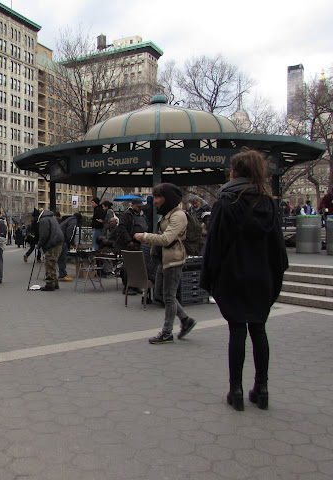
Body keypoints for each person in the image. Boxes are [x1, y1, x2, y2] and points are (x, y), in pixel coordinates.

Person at [200, 150, 288, 411]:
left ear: (235, 172)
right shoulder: (270, 204)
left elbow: (215, 244)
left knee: (237, 331)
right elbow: (278, 249)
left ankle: (235, 390)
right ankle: (262, 388)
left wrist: (210, 277)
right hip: (261, 277)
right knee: (259, 329)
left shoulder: (225, 202)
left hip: (233, 275)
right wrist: (275, 276)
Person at [134, 183, 196, 345]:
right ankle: (186, 319)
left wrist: (145, 236)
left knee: (169, 296)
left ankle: (167, 332)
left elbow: (167, 238)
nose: (154, 201)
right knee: (161, 294)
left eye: (157, 197)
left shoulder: (178, 216)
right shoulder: (167, 214)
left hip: (174, 260)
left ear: (166, 198)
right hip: (164, 259)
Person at [117, 198, 149, 290]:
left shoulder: (142, 215)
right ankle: (129, 286)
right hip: (130, 243)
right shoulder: (127, 215)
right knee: (130, 265)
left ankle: (137, 285)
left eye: (141, 207)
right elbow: (122, 228)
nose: (140, 208)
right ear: (133, 205)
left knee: (139, 265)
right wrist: (129, 241)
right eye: (138, 206)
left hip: (141, 243)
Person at [37, 209, 64, 291]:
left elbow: (44, 235)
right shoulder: (51, 217)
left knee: (49, 263)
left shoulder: (44, 220)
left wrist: (39, 245)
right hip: (58, 242)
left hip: (52, 243)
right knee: (53, 263)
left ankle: (50, 284)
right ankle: (54, 283)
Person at [58, 212, 82, 282]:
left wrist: (72, 243)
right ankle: (62, 274)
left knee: (61, 257)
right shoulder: (74, 221)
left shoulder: (68, 219)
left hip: (59, 238)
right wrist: (69, 242)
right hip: (63, 240)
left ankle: (62, 273)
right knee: (63, 256)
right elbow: (70, 231)